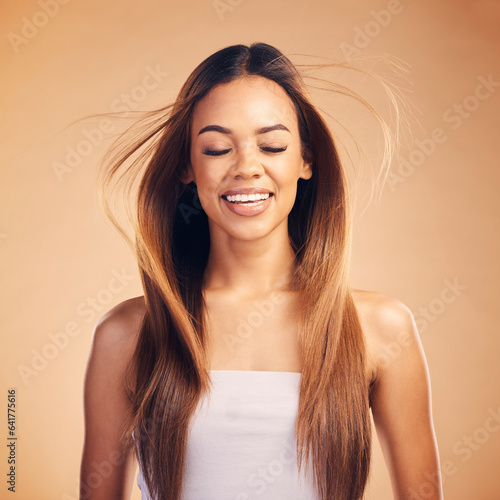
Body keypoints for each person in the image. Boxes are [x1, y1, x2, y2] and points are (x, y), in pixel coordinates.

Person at [80, 42, 443, 500]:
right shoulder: (127, 334)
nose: (247, 167)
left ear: (306, 160)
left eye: (271, 145)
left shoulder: (380, 329)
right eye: (216, 148)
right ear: (188, 168)